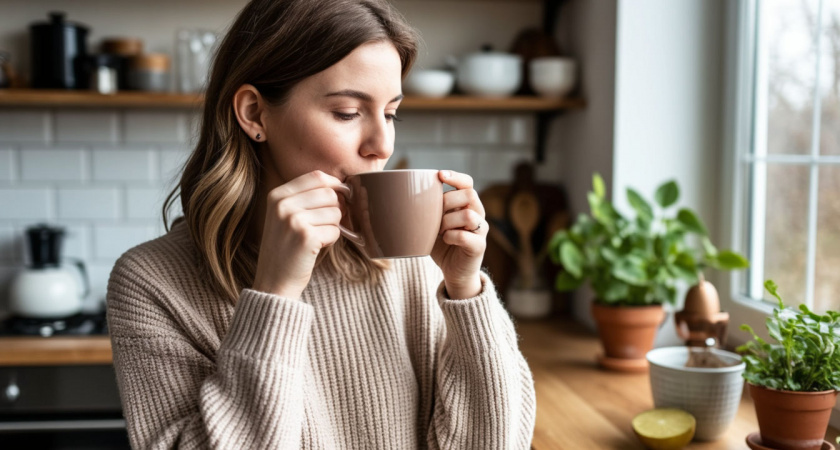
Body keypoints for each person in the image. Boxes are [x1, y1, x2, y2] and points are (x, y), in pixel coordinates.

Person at [106, 0, 536, 448]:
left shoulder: (413, 267)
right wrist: (274, 295)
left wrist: (466, 291)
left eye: (391, 113)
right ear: (254, 113)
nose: (381, 145)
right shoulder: (150, 284)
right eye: (348, 113)